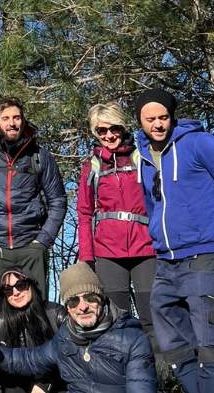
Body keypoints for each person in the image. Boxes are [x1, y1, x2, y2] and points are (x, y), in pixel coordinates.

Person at [133, 88, 214, 393]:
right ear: (140, 121)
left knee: (210, 342)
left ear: (172, 117)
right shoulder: (144, 155)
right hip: (165, 259)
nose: (158, 124)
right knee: (169, 336)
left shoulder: (198, 143)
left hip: (202, 255)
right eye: (150, 119)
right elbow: (153, 204)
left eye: (163, 117)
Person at [0, 262, 156, 393]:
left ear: (102, 299)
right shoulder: (65, 338)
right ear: (68, 307)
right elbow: (28, 360)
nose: (82, 307)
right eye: (73, 301)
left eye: (90, 297)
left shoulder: (133, 339)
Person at [0, 97, 67, 296]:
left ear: (23, 120)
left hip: (31, 246)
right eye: (6, 118)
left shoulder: (39, 156)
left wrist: (43, 241)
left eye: (17, 118)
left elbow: (58, 201)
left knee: (36, 313)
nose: (12, 123)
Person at [76, 102, 156, 352]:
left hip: (146, 248)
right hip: (108, 252)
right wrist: (87, 256)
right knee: (116, 321)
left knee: (151, 318)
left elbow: (158, 200)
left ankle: (160, 378)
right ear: (95, 133)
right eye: (101, 131)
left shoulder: (142, 158)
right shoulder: (92, 167)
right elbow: (85, 212)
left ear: (123, 128)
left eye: (114, 129)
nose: (109, 136)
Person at [0, 267, 66, 393]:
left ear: (31, 284)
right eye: (8, 289)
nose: (15, 292)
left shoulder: (55, 314)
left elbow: (70, 354)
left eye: (20, 285)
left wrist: (45, 384)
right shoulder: (0, 324)